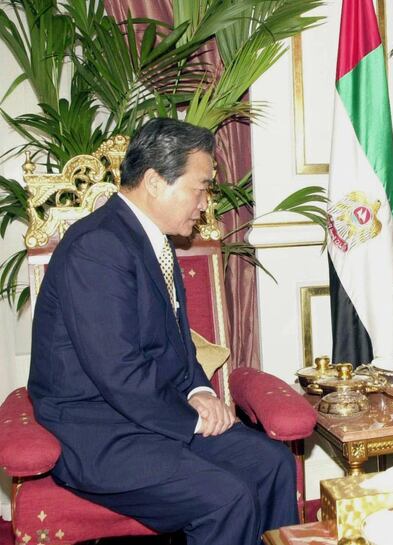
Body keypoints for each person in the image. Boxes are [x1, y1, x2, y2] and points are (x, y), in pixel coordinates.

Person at [27, 118, 298, 544]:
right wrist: (192, 420)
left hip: (152, 417)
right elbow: (118, 371)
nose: (205, 203)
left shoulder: (151, 239)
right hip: (102, 433)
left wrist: (199, 390)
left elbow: (175, 339)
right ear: (155, 182)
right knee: (227, 498)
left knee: (272, 463)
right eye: (200, 187)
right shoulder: (97, 247)